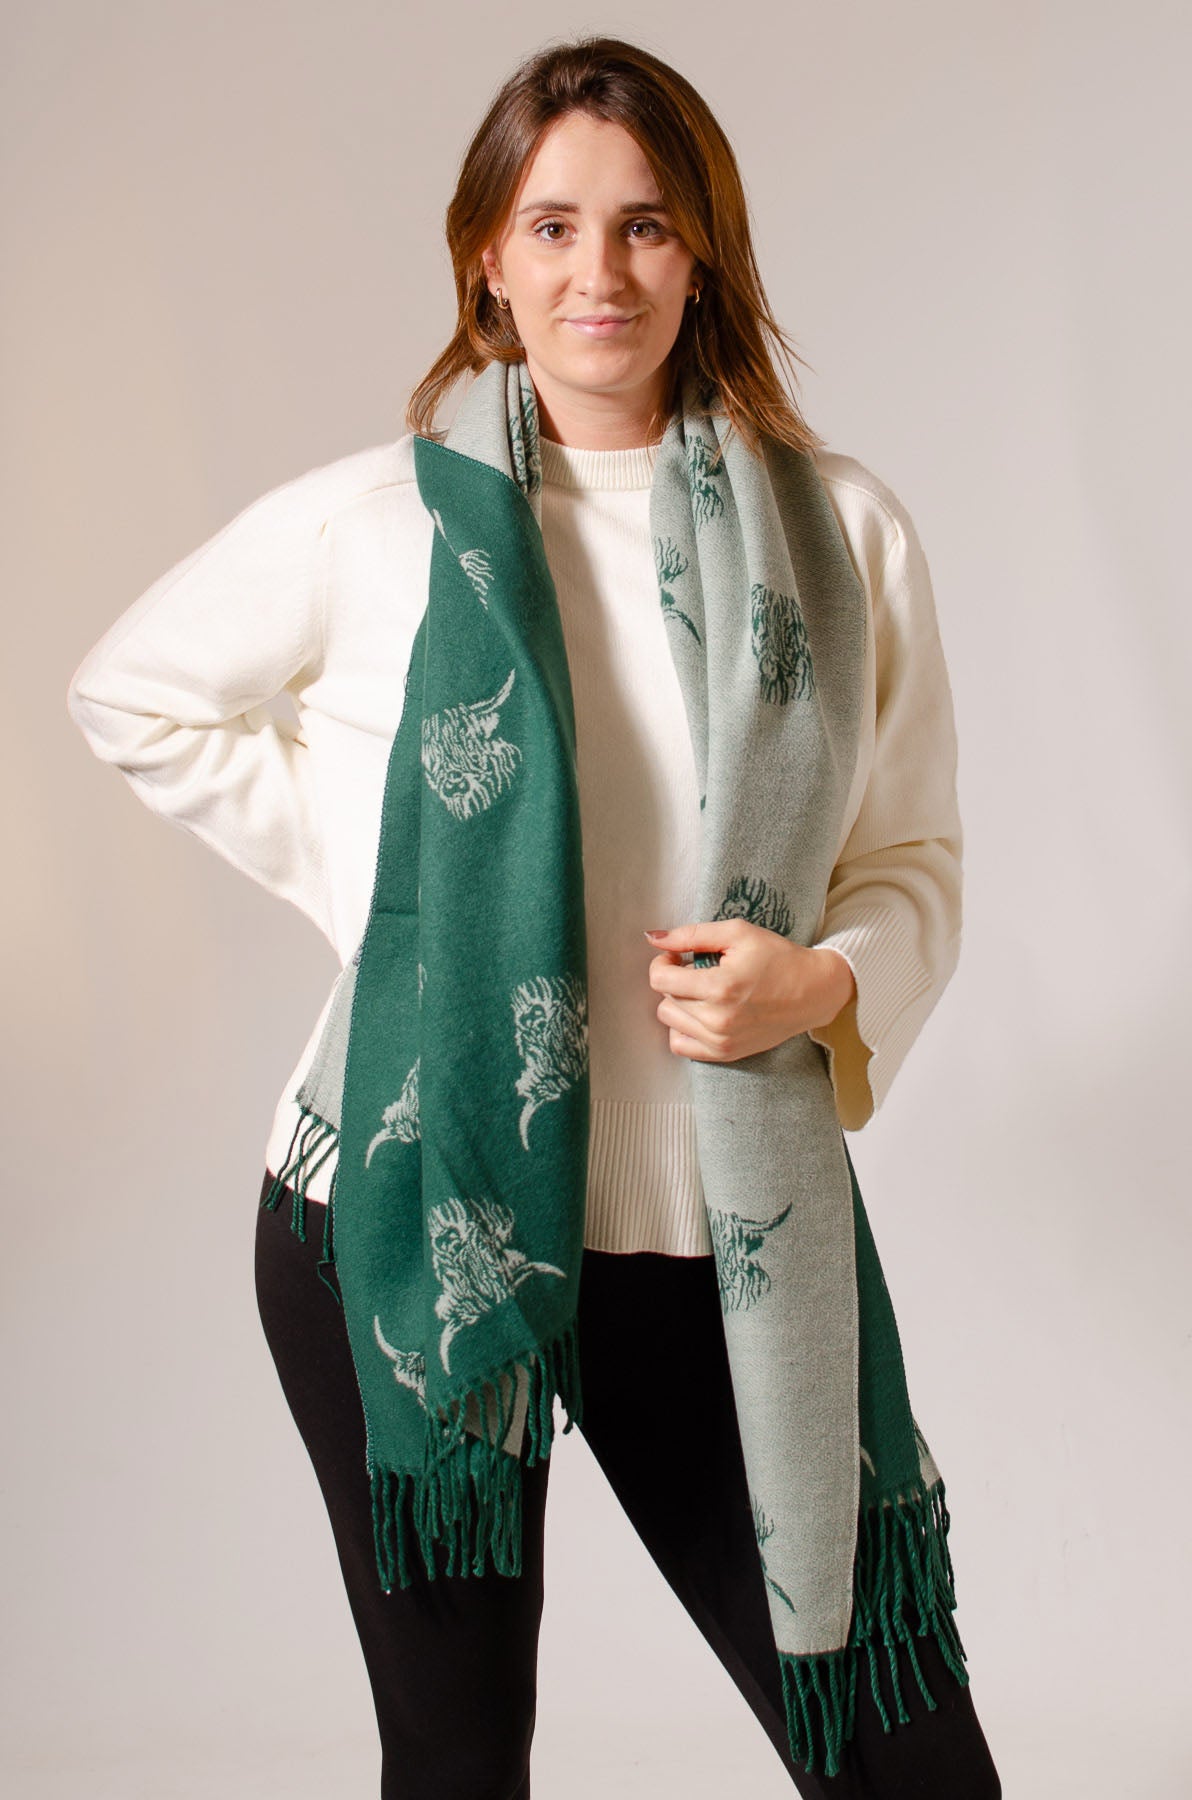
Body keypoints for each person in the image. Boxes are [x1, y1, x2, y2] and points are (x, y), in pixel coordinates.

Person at [66, 33, 1001, 1800]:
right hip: (412, 1194)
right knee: (459, 1757)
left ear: (702, 252)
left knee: (905, 1765)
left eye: (646, 225)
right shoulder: (383, 524)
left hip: (712, 1225)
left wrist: (824, 982)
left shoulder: (842, 537)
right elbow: (133, 693)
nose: (600, 272)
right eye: (554, 225)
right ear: (487, 256)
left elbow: (913, 860)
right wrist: (402, 899)